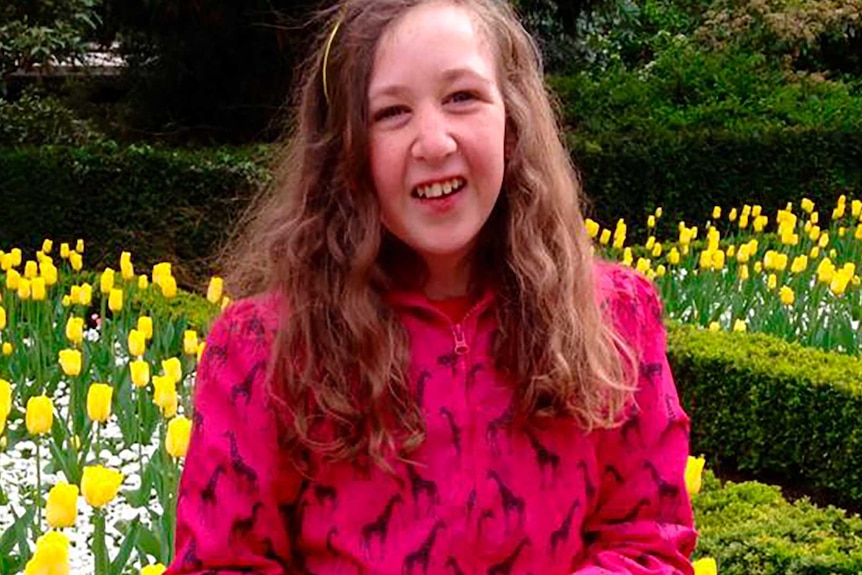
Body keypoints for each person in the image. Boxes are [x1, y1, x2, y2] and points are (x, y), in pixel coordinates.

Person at [165, 0, 697, 573]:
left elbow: (649, 541)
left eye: (461, 97)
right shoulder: (262, 351)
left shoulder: (612, 319)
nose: (434, 142)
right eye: (391, 112)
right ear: (345, 150)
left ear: (512, 120)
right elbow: (222, 563)